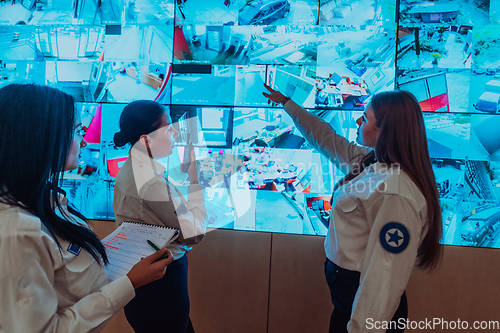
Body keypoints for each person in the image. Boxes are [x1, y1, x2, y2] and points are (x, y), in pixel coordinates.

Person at [263, 84, 443, 333]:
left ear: (385, 130)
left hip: (365, 309)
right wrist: (288, 104)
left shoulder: (395, 190)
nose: (359, 119)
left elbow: (385, 274)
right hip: (347, 297)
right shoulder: (371, 161)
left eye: (366, 117)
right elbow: (325, 138)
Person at [0, 83, 174, 333]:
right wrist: (130, 283)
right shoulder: (16, 231)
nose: (83, 142)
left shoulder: (46, 201)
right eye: (76, 131)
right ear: (40, 135)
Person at [112, 100, 207, 333]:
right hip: (162, 286)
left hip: (148, 281)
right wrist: (196, 183)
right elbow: (194, 234)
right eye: (167, 128)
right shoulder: (149, 180)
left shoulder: (134, 169)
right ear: (146, 139)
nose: (174, 132)